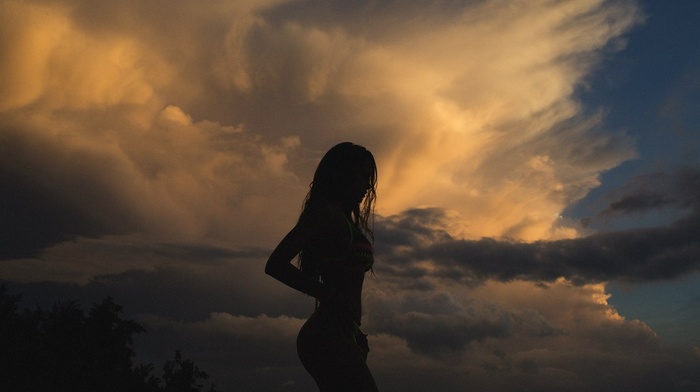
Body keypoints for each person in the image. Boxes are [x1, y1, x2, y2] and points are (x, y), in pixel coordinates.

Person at [265, 142, 379, 392]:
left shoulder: (341, 219)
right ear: (344, 175)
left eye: (369, 180)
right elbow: (275, 265)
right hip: (328, 332)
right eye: (363, 177)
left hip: (342, 330)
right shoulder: (323, 214)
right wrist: (326, 294)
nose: (367, 186)